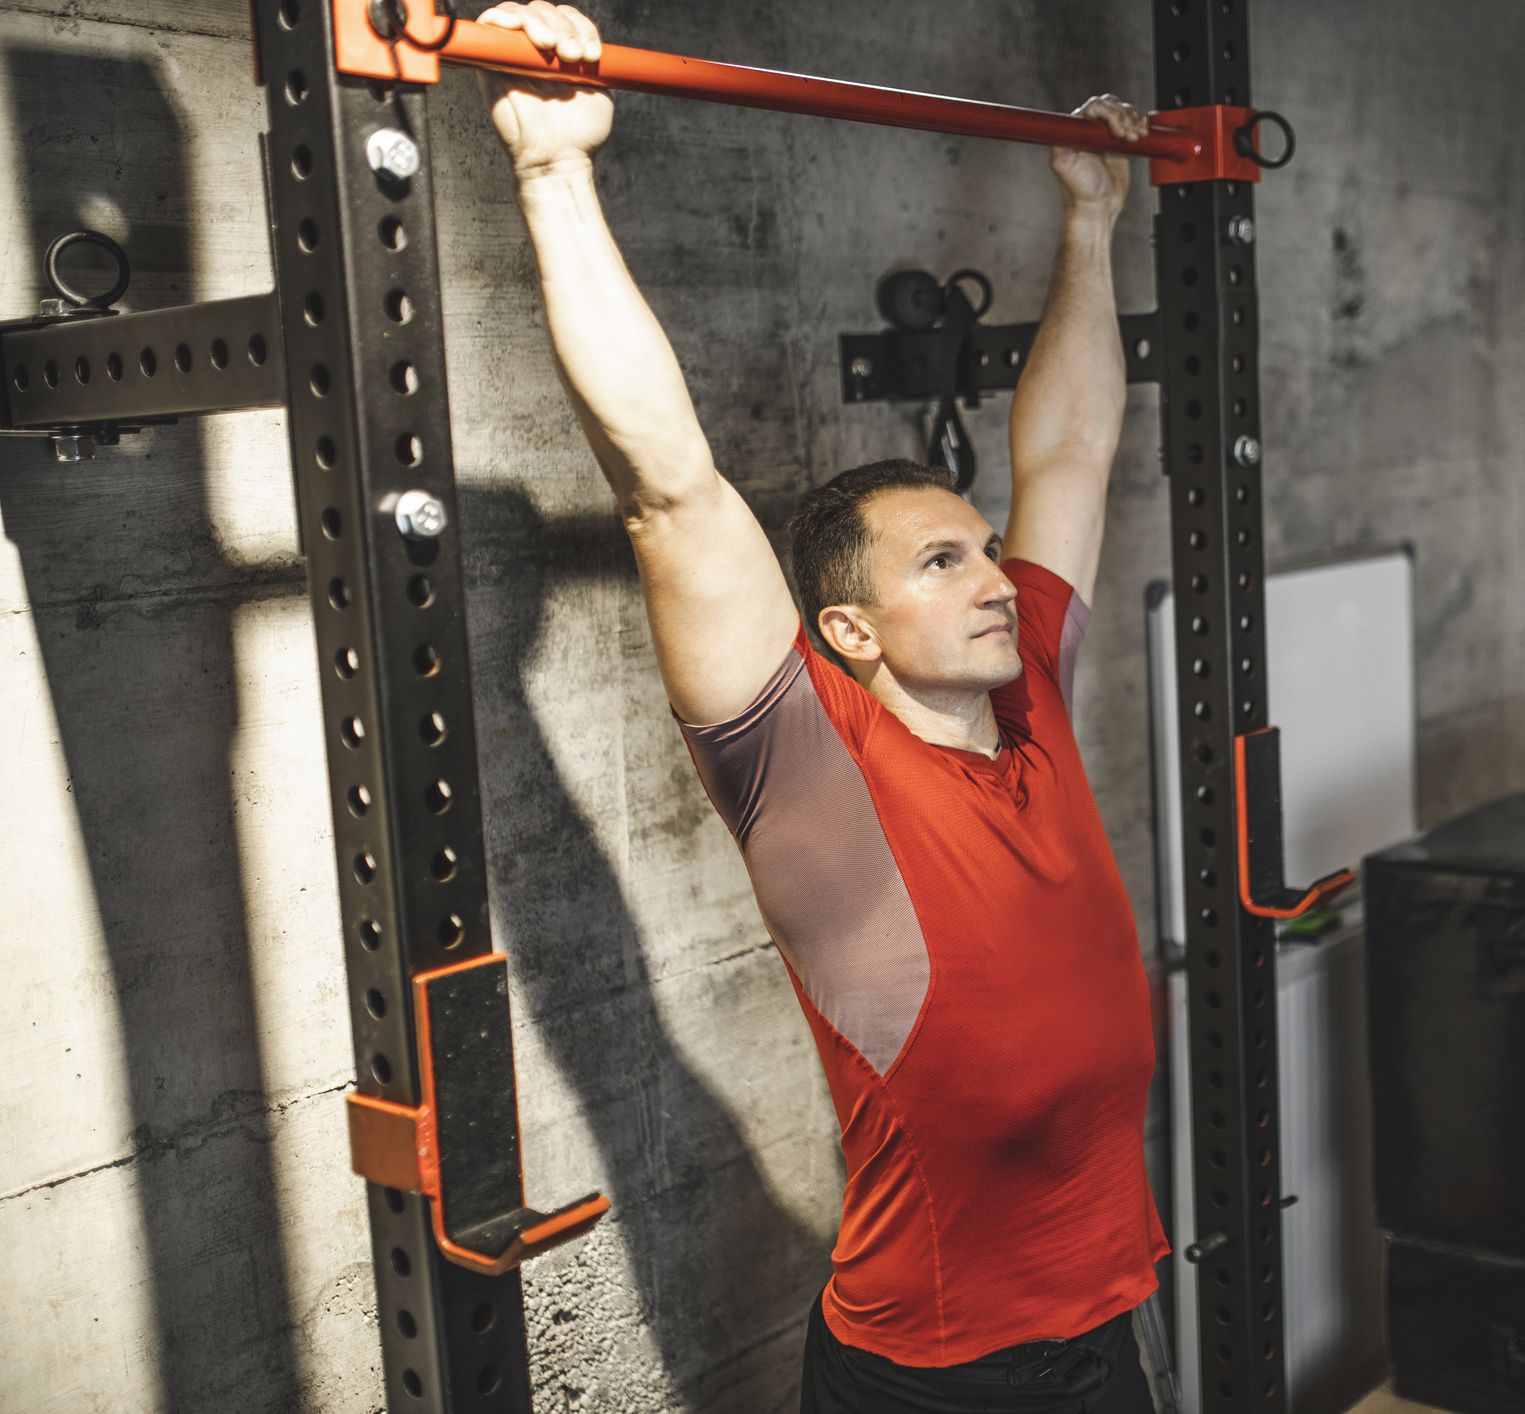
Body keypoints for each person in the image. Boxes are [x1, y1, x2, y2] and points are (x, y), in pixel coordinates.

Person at [478, 5, 1167, 1410]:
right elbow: (669, 491)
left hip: (1106, 1327)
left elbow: (1077, 449)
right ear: (845, 630)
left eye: (982, 546)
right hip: (936, 1375)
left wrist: (1091, 220)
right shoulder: (815, 772)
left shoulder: (1023, 678)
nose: (996, 577)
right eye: (941, 561)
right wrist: (554, 173)